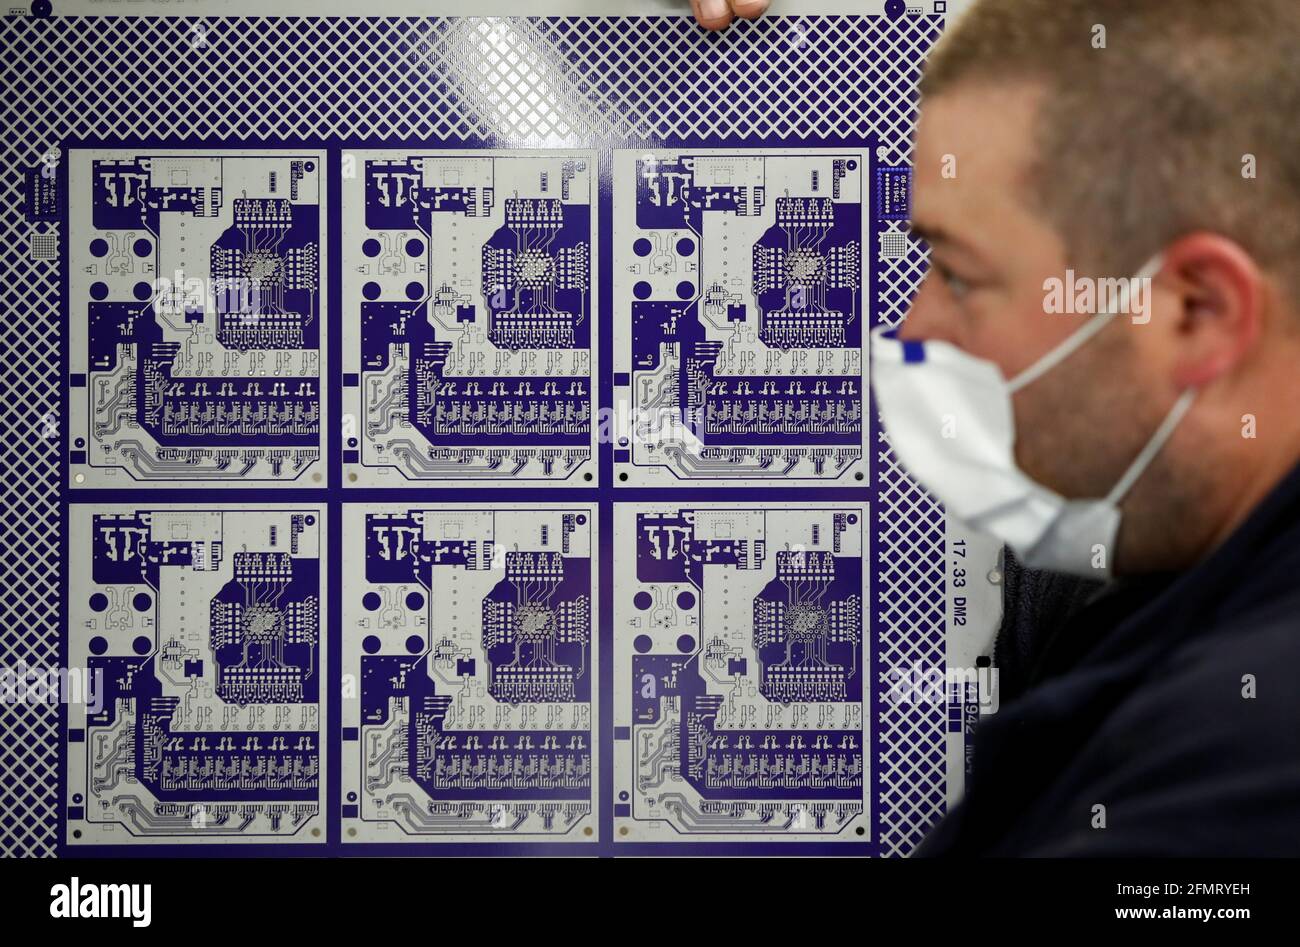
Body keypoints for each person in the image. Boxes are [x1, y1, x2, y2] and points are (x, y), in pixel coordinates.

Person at [698, 0, 1300, 855]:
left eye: (958, 273)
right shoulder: (1136, 554)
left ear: (1197, 312)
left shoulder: (1236, 773)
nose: (911, 330)